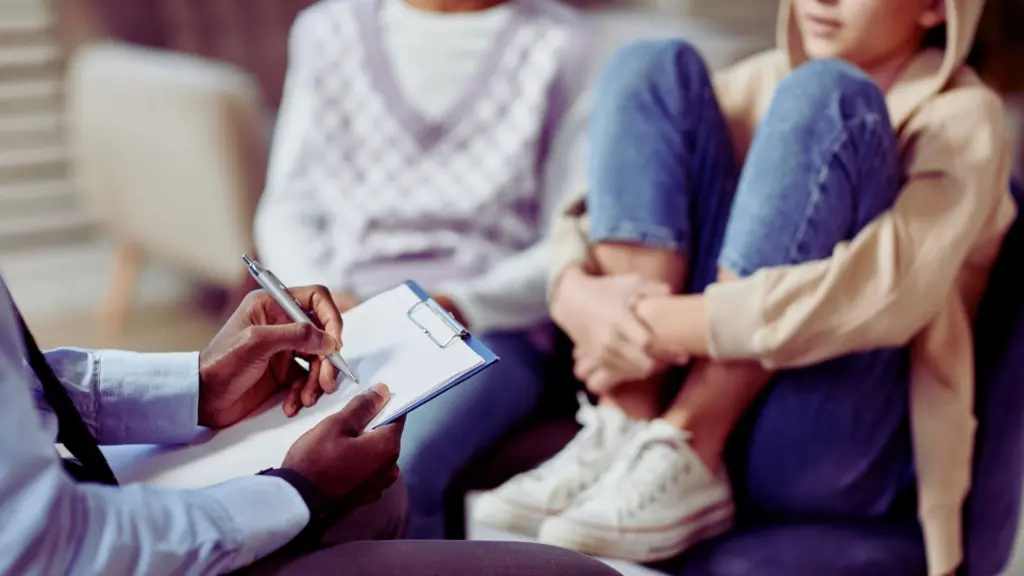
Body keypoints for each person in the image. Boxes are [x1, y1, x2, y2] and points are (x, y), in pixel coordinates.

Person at [474, 0, 1016, 574]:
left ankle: (691, 440)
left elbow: (885, 299)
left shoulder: (965, 118)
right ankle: (626, 421)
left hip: (836, 441)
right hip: (695, 397)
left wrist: (643, 323)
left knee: (827, 94)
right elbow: (589, 206)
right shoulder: (757, 79)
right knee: (649, 65)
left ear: (937, 8)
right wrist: (573, 292)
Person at [0, 276, 620, 576]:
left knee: (381, 496)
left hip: (65, 494)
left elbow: (16, 380)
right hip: (71, 549)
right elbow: (49, 548)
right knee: (574, 575)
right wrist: (295, 489)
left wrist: (196, 388)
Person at [252, 0, 592, 538]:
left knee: (392, 468)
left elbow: (571, 238)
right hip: (344, 315)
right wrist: (322, 295)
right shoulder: (327, 30)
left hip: (486, 328)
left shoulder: (563, 45)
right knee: (256, 462)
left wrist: (458, 304)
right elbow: (288, 205)